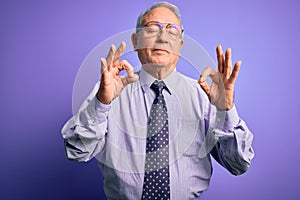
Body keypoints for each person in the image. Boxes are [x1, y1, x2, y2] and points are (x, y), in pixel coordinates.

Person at [61, 1, 254, 199]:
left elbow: (238, 164)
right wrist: (101, 103)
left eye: (172, 31)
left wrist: (226, 110)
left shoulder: (205, 96)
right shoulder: (109, 92)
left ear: (180, 44)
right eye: (152, 29)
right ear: (136, 42)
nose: (162, 38)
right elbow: (77, 151)